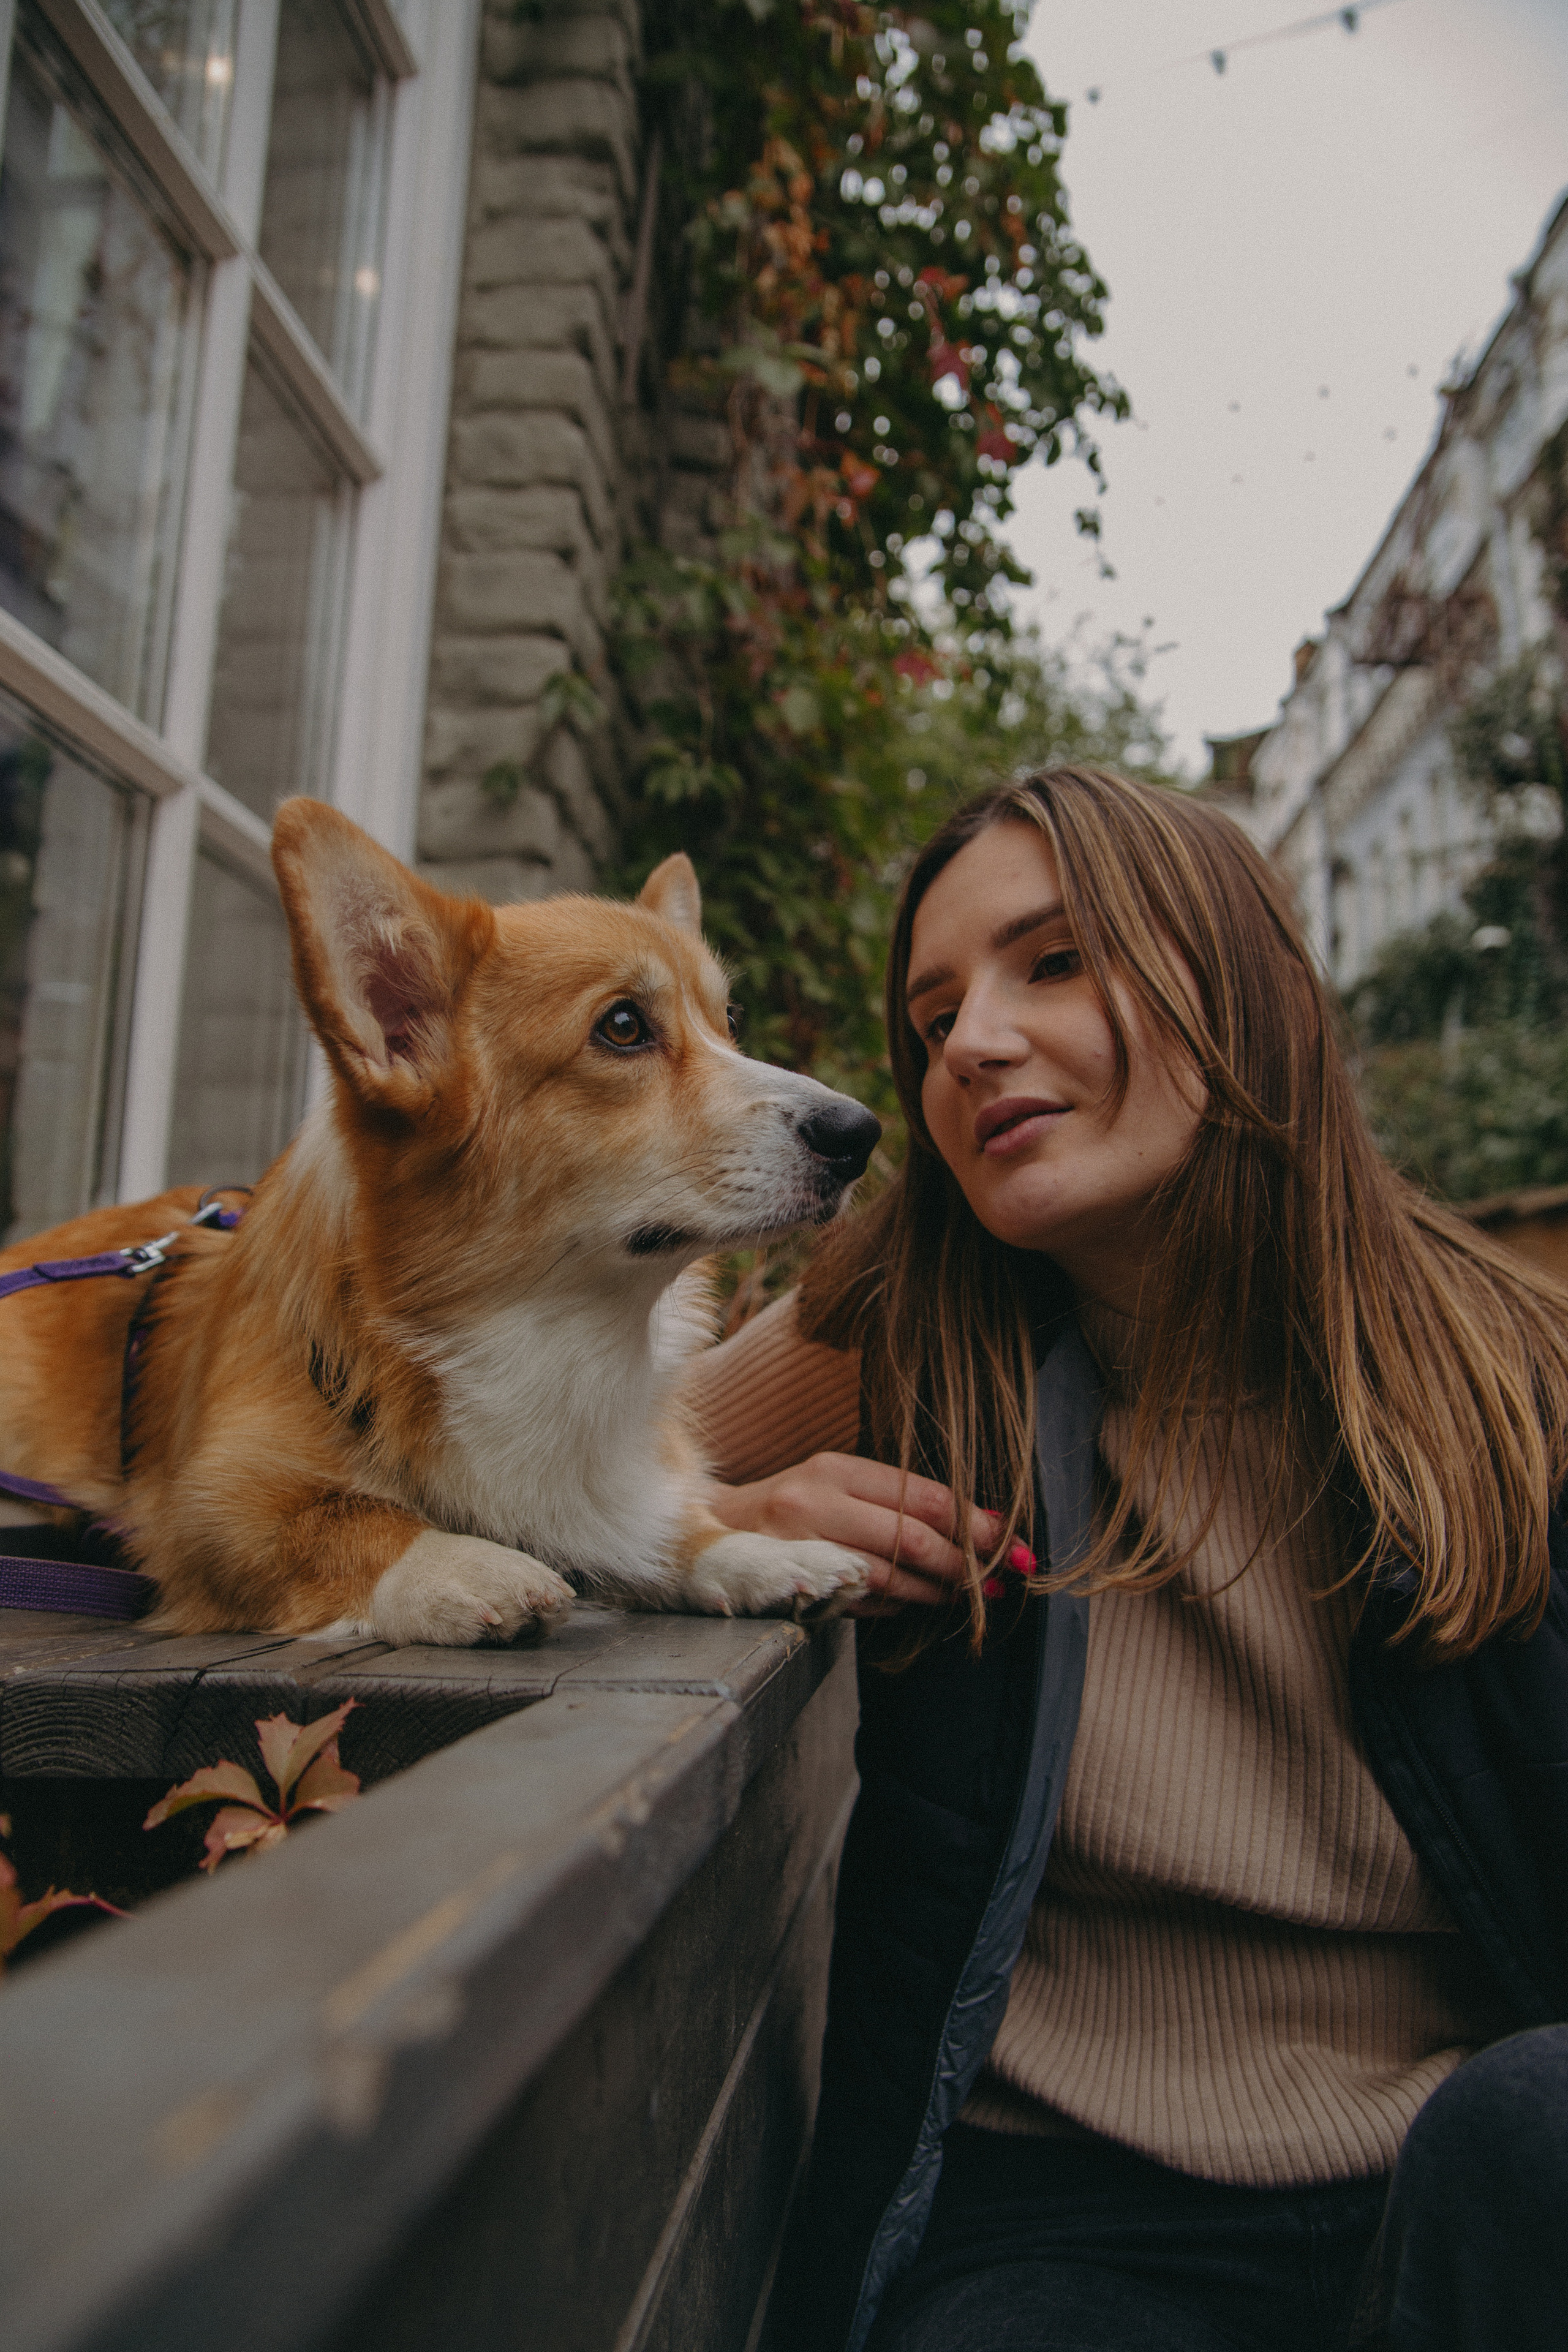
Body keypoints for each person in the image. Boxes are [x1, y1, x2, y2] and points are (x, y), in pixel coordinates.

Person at [681, 767, 1568, 2352]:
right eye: (934, 1012)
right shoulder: (912, 1333)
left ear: (1241, 980)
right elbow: (540, 1486)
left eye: (1057, 960)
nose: (973, 1042)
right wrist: (709, 1533)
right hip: (1069, 2214)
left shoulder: (1513, 1383)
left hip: (1466, 2182)